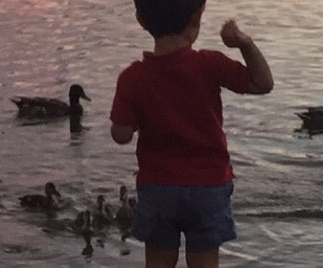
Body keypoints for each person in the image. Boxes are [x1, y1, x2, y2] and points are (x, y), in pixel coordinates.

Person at [109, 0, 273, 267]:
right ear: (197, 17)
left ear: (140, 19)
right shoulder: (209, 64)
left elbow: (121, 134)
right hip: (208, 188)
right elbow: (263, 83)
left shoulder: (133, 77)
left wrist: (134, 118)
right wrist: (244, 42)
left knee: (159, 262)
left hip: (158, 188)